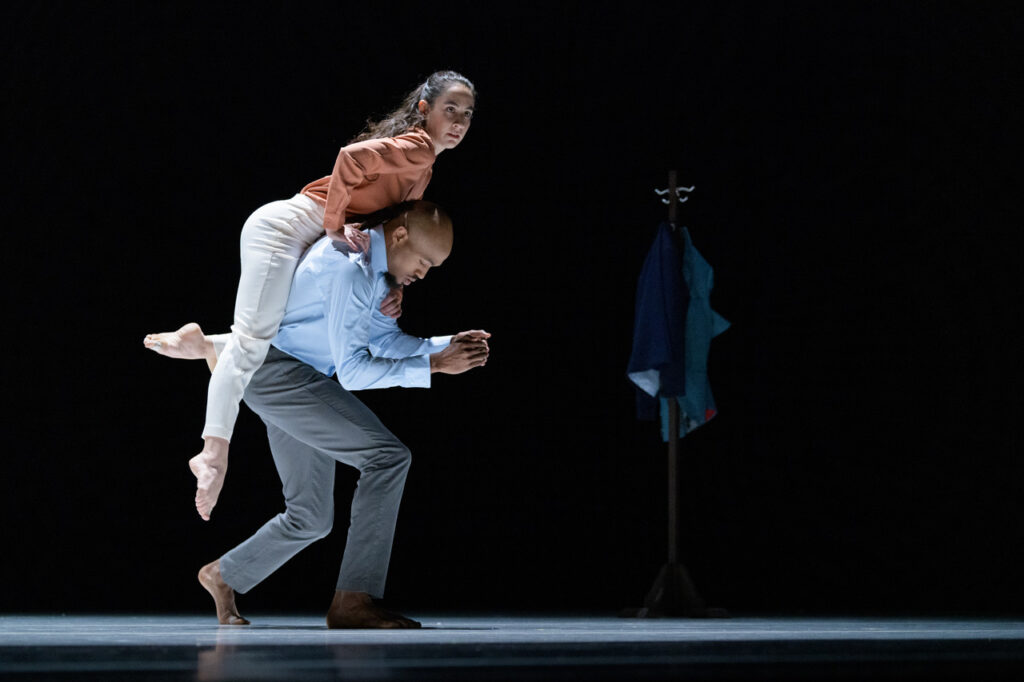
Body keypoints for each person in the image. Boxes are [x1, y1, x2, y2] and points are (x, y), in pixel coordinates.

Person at [143, 71, 477, 520]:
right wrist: (335, 225)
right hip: (288, 228)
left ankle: (203, 343)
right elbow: (350, 159)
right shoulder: (416, 149)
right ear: (424, 110)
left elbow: (398, 235)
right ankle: (212, 451)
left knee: (284, 329)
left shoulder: (425, 166)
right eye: (448, 110)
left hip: (310, 236)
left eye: (466, 114)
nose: (457, 121)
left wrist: (392, 288)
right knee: (253, 342)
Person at [191, 200, 489, 628]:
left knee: (310, 517)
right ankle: (353, 600)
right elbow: (353, 372)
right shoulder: (350, 267)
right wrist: (434, 366)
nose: (423, 274)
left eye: (433, 267)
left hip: (287, 375)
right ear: (399, 235)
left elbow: (384, 342)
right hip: (280, 373)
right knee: (388, 457)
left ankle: (223, 574)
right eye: (424, 262)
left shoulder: (373, 272)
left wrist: (443, 346)